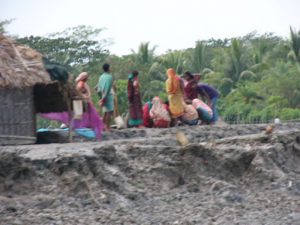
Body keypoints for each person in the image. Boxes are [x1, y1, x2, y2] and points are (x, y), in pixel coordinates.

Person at [98, 63, 114, 131]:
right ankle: (107, 127)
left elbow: (99, 87)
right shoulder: (109, 77)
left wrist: (101, 97)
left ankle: (102, 126)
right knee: (109, 111)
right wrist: (104, 97)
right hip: (108, 95)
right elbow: (107, 87)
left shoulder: (101, 77)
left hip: (102, 94)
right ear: (108, 68)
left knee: (105, 112)